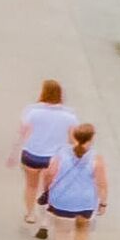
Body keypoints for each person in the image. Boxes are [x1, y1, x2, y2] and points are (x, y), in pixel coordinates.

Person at [15, 76, 78, 231]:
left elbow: (23, 131)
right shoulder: (69, 116)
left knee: (31, 185)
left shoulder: (33, 112)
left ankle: (30, 214)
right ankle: (45, 220)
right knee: (49, 189)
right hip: (54, 159)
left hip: (31, 153)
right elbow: (73, 140)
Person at [44, 120, 106, 240]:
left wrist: (47, 190)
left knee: (61, 232)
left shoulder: (61, 153)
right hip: (85, 201)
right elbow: (102, 183)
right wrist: (103, 203)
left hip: (62, 199)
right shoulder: (96, 158)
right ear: (91, 138)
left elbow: (49, 173)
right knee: (82, 229)